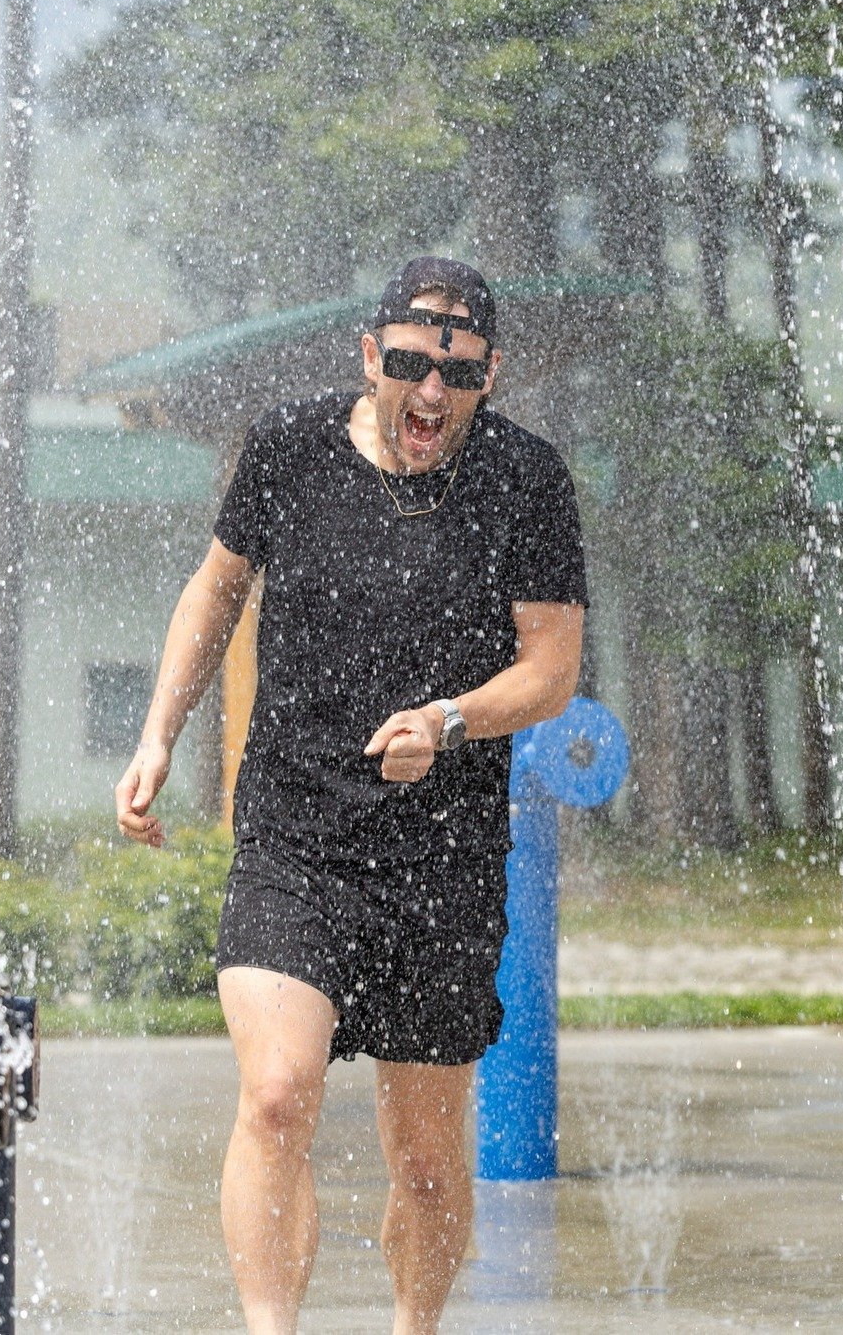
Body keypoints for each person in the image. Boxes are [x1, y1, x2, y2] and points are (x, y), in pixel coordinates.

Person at [114, 256, 587, 1334]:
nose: (432, 395)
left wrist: (449, 719)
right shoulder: (287, 448)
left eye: (458, 375)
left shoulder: (527, 480)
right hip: (297, 840)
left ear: (490, 375)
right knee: (278, 1094)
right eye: (413, 366)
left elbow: (551, 665)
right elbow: (215, 588)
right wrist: (156, 734)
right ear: (371, 354)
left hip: (445, 857)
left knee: (423, 1160)